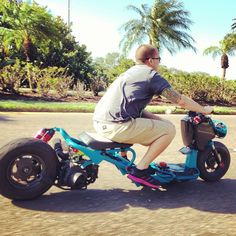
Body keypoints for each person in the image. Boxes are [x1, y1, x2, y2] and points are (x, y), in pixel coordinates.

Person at [93, 44, 213, 188]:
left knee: (166, 126)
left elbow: (135, 109)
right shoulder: (151, 75)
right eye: (158, 59)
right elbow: (180, 100)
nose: (159, 62)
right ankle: (140, 170)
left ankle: (129, 159)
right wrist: (203, 109)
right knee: (170, 131)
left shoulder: (129, 73)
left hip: (101, 122)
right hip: (118, 126)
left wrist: (161, 120)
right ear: (150, 60)